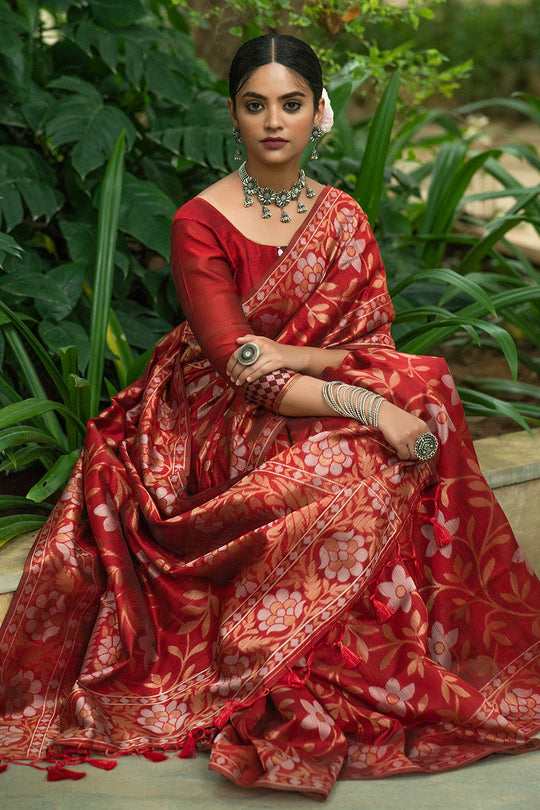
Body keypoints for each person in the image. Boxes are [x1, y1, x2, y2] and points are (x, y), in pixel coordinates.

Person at [0, 33, 538, 800]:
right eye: (256, 105)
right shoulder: (200, 222)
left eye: (291, 104)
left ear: (318, 113)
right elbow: (242, 370)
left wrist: (325, 367)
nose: (273, 121)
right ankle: (310, 656)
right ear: (235, 114)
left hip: (313, 390)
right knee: (369, 455)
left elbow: (367, 346)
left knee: (426, 385)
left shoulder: (342, 218)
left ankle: (396, 653)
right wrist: (367, 405)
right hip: (211, 418)